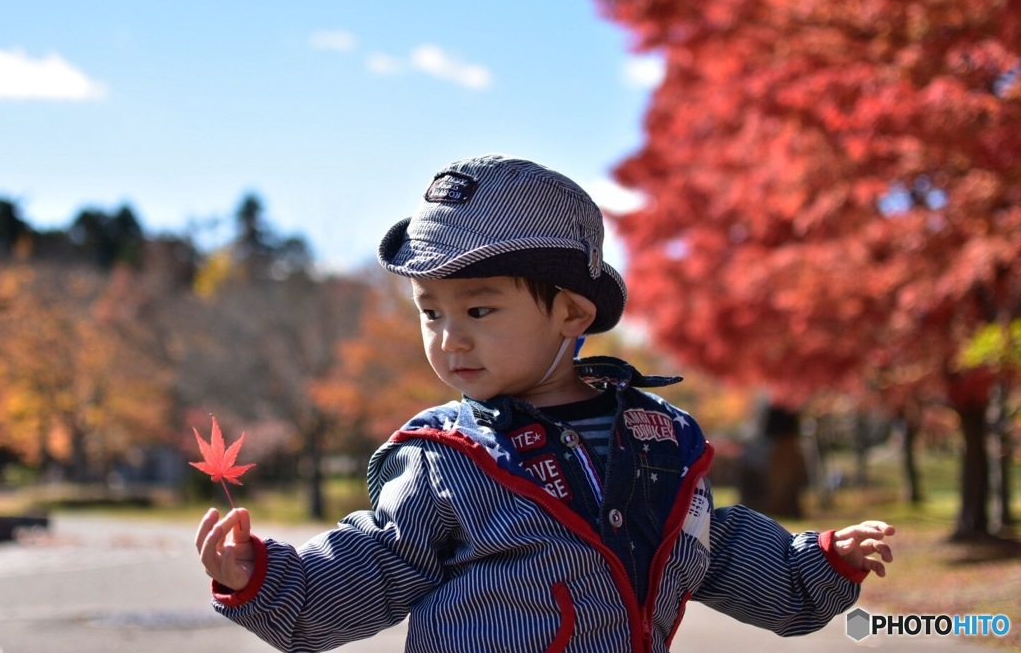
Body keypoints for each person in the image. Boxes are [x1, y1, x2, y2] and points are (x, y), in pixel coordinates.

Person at [196, 154, 894, 653]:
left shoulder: (660, 438)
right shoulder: (446, 458)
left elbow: (719, 546)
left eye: (478, 308)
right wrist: (265, 576)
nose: (449, 338)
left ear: (570, 312)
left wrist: (818, 564)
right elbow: (376, 561)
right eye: (430, 311)